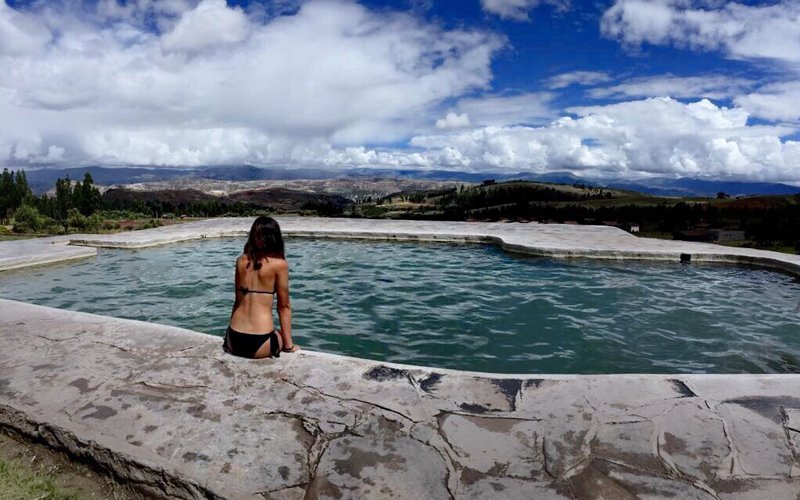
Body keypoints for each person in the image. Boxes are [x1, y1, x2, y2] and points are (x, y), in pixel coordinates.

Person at [224, 216, 299, 358]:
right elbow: (284, 307)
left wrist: (228, 335)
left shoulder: (241, 261)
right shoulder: (279, 265)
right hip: (261, 341)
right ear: (275, 237)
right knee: (278, 334)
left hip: (233, 339)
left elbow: (237, 302)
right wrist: (288, 345)